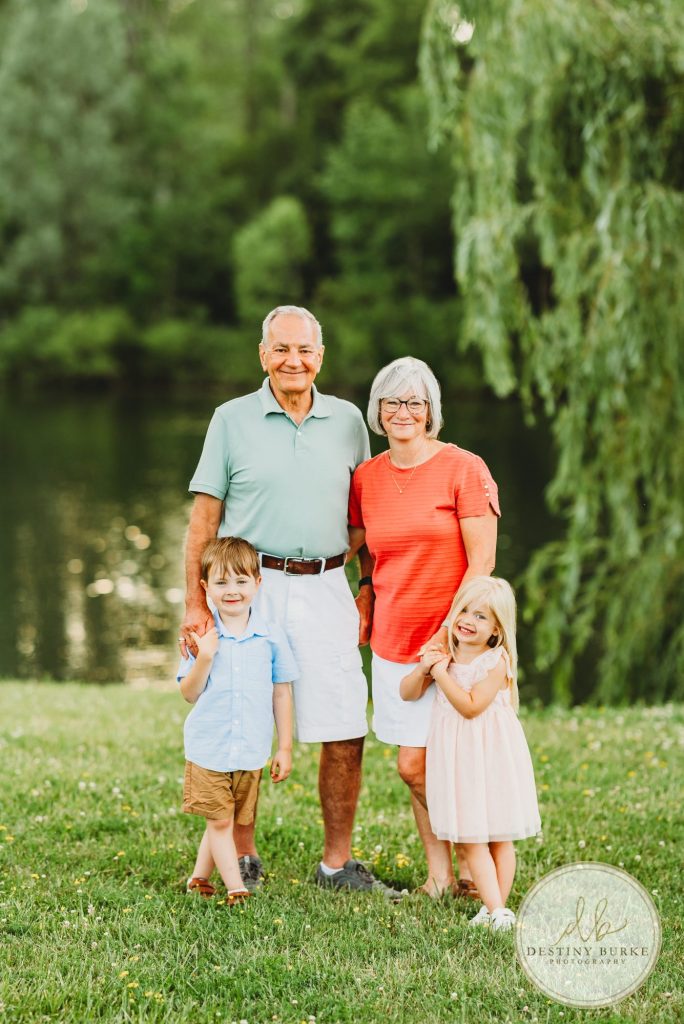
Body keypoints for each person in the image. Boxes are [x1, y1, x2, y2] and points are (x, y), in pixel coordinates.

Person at [179, 305, 401, 897]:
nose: (293, 361)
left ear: (320, 358)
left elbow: (368, 514)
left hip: (329, 584)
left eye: (304, 350)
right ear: (263, 355)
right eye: (281, 349)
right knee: (241, 718)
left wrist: (367, 585)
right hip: (250, 590)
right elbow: (204, 518)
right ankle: (243, 855)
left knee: (347, 722)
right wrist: (195, 604)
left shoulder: (350, 421)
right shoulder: (230, 419)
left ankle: (336, 865)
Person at [347, 356, 500, 898]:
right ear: (378, 411)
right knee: (415, 766)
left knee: (428, 764)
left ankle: (478, 856)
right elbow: (363, 549)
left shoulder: (464, 468)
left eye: (414, 402)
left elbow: (482, 565)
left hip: (455, 647)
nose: (402, 412)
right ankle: (444, 875)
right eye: (392, 402)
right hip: (392, 641)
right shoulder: (366, 477)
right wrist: (365, 589)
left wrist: (449, 635)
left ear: (431, 410)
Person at [400, 575, 541, 930]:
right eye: (464, 610)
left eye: (481, 617)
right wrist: (424, 668)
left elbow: (471, 706)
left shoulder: (495, 661)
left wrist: (441, 673)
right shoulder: (446, 654)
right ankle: (495, 910)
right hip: (459, 758)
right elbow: (407, 692)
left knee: (496, 835)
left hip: (491, 755)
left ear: (496, 630)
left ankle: (496, 910)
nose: (468, 620)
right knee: (471, 833)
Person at [179, 536, 296, 904]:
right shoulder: (202, 637)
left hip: (250, 748)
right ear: (206, 587)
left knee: (224, 815)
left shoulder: (271, 636)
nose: (232, 591)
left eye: (241, 581)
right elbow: (189, 693)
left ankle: (199, 877)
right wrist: (205, 658)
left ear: (257, 584)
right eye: (221, 582)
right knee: (220, 822)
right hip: (209, 747)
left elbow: (281, 692)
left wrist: (286, 746)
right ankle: (236, 888)